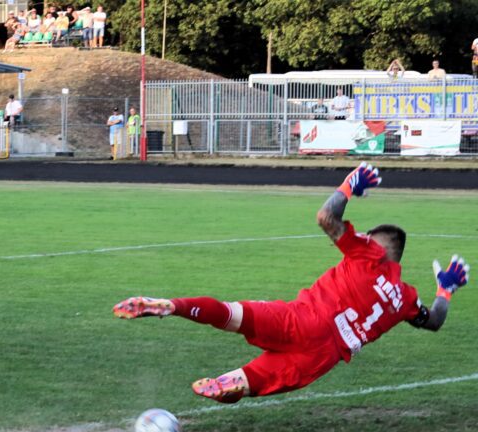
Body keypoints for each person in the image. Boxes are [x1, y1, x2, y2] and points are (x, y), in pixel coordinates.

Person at [114, 163, 468, 404]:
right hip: (325, 355)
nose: (359, 234)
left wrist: (350, 183)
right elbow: (433, 321)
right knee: (258, 378)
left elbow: (326, 217)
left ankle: (173, 307)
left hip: (305, 318)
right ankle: (232, 381)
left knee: (234, 314)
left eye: (366, 234)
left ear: (379, 245)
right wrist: (444, 289)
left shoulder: (368, 254)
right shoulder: (405, 297)